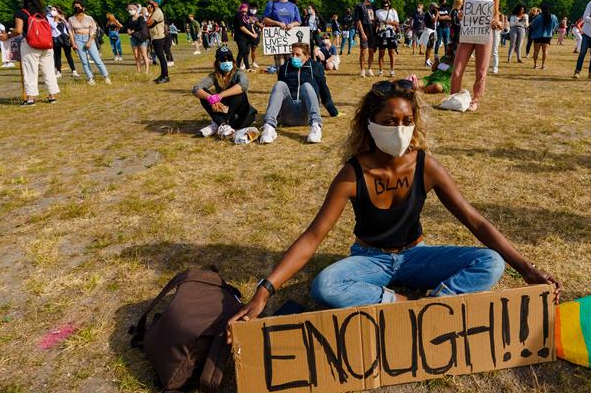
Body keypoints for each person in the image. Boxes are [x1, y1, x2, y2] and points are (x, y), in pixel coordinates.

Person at [227, 80, 560, 323]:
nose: (399, 129)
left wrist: (527, 270)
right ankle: (401, 304)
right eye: (389, 122)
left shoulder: (425, 165)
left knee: (491, 263)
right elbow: (313, 237)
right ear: (369, 124)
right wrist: (264, 291)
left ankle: (434, 305)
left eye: (406, 121)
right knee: (326, 285)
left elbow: (476, 222)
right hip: (369, 260)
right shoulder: (352, 174)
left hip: (416, 255)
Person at [259, 42, 338, 144]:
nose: (293, 57)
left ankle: (316, 127)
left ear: (307, 56)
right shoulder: (284, 68)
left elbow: (324, 90)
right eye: (292, 54)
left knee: (307, 86)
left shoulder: (316, 67)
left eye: (297, 55)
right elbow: (280, 93)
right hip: (288, 113)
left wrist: (333, 111)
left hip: (306, 113)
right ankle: (269, 127)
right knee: (279, 84)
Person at [449, 0, 501, 112]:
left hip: (485, 34)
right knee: (457, 69)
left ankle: (475, 99)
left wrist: (496, 21)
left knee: (481, 70)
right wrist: (460, 16)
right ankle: (454, 96)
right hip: (468, 34)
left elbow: (495, 12)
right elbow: (465, 14)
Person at [0, 0, 60, 105]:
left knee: (30, 71)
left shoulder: (21, 13)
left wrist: (7, 36)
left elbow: (18, 30)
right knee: (49, 70)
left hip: (31, 45)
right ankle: (52, 96)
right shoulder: (41, 14)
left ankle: (30, 98)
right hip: (46, 45)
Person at [192, 46, 257, 138]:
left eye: (229, 59)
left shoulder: (238, 73)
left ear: (233, 61)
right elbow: (196, 89)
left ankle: (217, 124)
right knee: (205, 95)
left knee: (239, 93)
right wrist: (211, 98)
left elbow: (243, 85)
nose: (226, 62)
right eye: (223, 59)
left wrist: (220, 96)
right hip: (224, 112)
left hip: (240, 115)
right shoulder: (215, 76)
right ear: (218, 62)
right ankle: (222, 125)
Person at [68, 0, 110, 86]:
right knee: (84, 61)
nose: (77, 8)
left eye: (78, 7)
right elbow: (71, 32)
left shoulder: (89, 18)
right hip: (78, 39)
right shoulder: (71, 19)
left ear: (83, 8)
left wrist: (90, 41)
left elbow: (93, 30)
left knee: (97, 59)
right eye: (75, 7)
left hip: (89, 38)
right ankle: (90, 78)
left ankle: (106, 76)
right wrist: (73, 43)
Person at [262, 0, 302, 67]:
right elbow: (265, 19)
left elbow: (298, 21)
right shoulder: (271, 4)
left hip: (292, 40)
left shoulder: (293, 6)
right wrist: (277, 23)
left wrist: (292, 24)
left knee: (293, 68)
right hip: (278, 41)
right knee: (281, 69)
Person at [145, 0, 168, 83]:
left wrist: (149, 13)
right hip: (155, 37)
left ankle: (165, 76)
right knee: (160, 56)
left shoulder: (157, 12)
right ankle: (163, 75)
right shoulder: (155, 12)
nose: (148, 5)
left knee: (161, 57)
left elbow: (148, 23)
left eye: (150, 2)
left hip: (158, 37)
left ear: (156, 3)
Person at [375, 0, 400, 77]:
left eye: (387, 4)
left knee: (391, 53)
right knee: (381, 53)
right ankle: (380, 70)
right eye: (384, 4)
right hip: (382, 34)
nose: (386, 6)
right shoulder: (378, 12)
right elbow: (376, 21)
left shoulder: (393, 11)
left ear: (390, 3)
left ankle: (392, 71)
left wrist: (388, 22)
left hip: (391, 33)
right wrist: (379, 24)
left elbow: (397, 23)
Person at [528, 3, 559, 70]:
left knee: (536, 51)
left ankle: (535, 65)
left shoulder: (538, 17)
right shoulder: (553, 17)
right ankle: (543, 65)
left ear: (541, 9)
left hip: (537, 36)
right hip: (547, 36)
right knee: (545, 51)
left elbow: (532, 25)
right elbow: (555, 26)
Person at [354, 0, 377, 77]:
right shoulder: (360, 7)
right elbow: (358, 20)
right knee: (363, 51)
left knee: (371, 52)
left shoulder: (374, 7)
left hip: (373, 32)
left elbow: (376, 19)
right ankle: (362, 70)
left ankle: (369, 69)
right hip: (365, 31)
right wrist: (362, 33)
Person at [125, 3, 150, 74]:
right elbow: (127, 26)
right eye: (128, 9)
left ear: (135, 9)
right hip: (133, 38)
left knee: (144, 55)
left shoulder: (141, 17)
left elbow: (141, 27)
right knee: (136, 56)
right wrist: (128, 30)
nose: (129, 11)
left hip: (141, 38)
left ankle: (147, 70)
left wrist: (132, 31)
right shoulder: (129, 18)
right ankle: (139, 71)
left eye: (131, 9)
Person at [233, 3, 257, 71]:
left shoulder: (246, 17)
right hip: (240, 37)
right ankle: (236, 68)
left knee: (246, 52)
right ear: (240, 10)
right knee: (242, 51)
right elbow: (242, 28)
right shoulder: (238, 16)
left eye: (245, 11)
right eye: (242, 11)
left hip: (247, 37)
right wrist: (252, 35)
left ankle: (248, 68)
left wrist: (254, 33)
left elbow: (250, 25)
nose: (244, 13)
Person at [248, 3, 261, 70]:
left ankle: (253, 62)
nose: (253, 10)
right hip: (247, 34)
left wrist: (257, 23)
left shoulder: (259, 17)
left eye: (255, 8)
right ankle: (245, 63)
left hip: (256, 35)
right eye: (252, 8)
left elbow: (262, 25)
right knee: (246, 49)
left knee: (254, 48)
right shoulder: (246, 15)